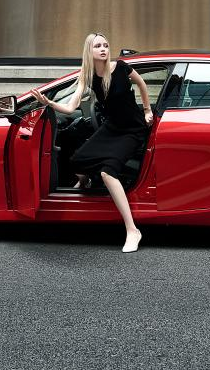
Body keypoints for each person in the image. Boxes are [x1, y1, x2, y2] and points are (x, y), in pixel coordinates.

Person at [32, 32, 154, 253]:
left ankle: (132, 230)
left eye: (105, 45)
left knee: (108, 172)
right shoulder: (87, 77)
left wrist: (147, 110)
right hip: (112, 128)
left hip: (132, 129)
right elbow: (70, 107)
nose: (103, 49)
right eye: (98, 46)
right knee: (77, 160)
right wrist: (49, 103)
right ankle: (86, 181)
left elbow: (142, 84)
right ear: (89, 51)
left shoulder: (121, 67)